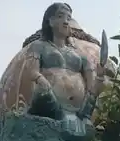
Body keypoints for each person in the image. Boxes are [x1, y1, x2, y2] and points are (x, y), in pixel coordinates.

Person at [24, 3, 105, 133]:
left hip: (79, 110)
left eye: (68, 18)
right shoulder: (38, 46)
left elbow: (92, 87)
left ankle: (80, 119)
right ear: (50, 21)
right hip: (47, 102)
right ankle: (63, 118)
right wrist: (41, 80)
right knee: (42, 93)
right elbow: (31, 71)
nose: (66, 22)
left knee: (94, 97)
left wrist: (100, 77)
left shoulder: (80, 55)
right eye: (61, 16)